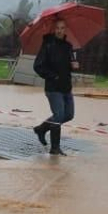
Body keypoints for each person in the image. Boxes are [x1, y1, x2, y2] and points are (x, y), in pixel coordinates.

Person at [33, 18, 78, 155]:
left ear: (65, 29)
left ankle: (41, 129)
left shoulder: (68, 47)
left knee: (69, 115)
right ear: (54, 29)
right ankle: (55, 148)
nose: (60, 30)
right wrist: (53, 76)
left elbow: (69, 65)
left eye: (62, 28)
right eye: (57, 28)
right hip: (53, 88)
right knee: (58, 116)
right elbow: (38, 66)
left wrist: (74, 66)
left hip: (66, 87)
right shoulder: (47, 45)